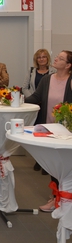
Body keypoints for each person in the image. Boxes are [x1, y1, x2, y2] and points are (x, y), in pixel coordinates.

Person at [25, 50, 72, 212]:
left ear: (68, 65)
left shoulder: (71, 81)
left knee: (67, 166)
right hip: (49, 130)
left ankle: (65, 200)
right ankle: (56, 199)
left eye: (61, 58)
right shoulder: (47, 80)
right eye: (57, 57)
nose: (56, 59)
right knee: (55, 166)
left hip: (67, 133)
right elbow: (35, 98)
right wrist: (15, 97)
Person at [22, 49, 56, 173]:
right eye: (39, 57)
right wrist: (34, 98)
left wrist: (44, 98)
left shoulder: (54, 72)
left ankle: (47, 163)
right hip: (35, 106)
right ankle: (38, 160)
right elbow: (25, 87)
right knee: (37, 133)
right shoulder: (31, 71)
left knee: (48, 134)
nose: (41, 59)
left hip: (48, 106)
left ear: (48, 59)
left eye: (44, 57)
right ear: (36, 59)